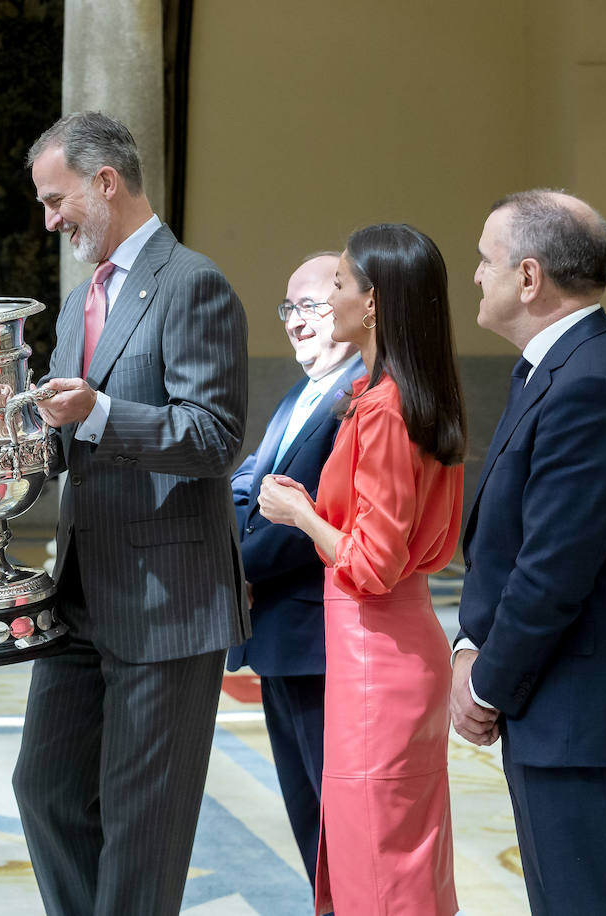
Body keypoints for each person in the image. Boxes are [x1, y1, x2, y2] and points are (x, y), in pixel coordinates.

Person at [10, 111, 249, 916]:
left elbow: (215, 437)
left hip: (166, 600)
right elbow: (66, 437)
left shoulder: (194, 283)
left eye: (56, 199)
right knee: (43, 790)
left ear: (104, 180)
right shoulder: (79, 302)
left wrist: (103, 412)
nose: (50, 220)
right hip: (77, 596)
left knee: (142, 830)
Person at [451, 190, 606, 915]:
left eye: (484, 260)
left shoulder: (593, 386)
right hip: (558, 710)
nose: (475, 276)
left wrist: (485, 683)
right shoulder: (554, 368)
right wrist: (470, 643)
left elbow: (553, 573)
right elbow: (513, 544)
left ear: (529, 278)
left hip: (583, 719)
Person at [257, 224, 465, 916]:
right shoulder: (412, 392)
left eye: (340, 285)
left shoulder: (381, 406)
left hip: (374, 652)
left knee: (377, 864)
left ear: (373, 303)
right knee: (406, 856)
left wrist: (302, 514)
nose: (327, 299)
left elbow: (371, 564)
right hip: (402, 641)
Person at [226, 250, 364, 888]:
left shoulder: (359, 392)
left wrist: (229, 568)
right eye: (289, 307)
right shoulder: (303, 391)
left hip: (320, 640)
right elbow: (248, 483)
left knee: (339, 822)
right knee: (309, 820)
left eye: (310, 305)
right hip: (282, 637)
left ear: (349, 303)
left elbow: (310, 520)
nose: (296, 320)